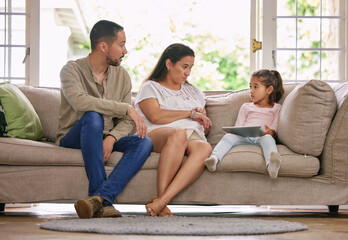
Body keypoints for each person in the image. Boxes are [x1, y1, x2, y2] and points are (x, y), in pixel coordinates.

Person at [56, 20, 153, 219]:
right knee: (92, 116)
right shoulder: (71, 70)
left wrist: (112, 138)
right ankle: (100, 197)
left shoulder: (123, 75)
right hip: (74, 137)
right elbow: (80, 102)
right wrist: (124, 108)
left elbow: (127, 122)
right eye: (121, 44)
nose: (125, 50)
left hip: (105, 136)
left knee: (144, 141)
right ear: (103, 46)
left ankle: (98, 200)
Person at [135, 43, 212, 217]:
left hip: (191, 136)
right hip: (157, 133)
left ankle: (161, 201)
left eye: (191, 68)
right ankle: (162, 197)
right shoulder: (151, 87)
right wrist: (190, 114)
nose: (188, 73)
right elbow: (155, 116)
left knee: (205, 147)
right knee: (178, 134)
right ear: (169, 64)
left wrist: (203, 120)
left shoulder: (194, 92)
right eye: (184, 67)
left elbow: (204, 131)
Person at [205, 69, 284, 179]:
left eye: (255, 87)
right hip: (244, 137)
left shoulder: (277, 108)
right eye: (250, 87)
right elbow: (239, 125)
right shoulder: (246, 106)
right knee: (228, 136)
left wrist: (271, 132)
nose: (251, 91)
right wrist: (232, 132)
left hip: (261, 137)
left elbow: (275, 127)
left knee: (268, 139)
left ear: (269, 90)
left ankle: (272, 166)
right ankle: (214, 158)